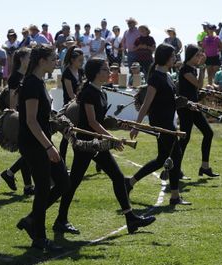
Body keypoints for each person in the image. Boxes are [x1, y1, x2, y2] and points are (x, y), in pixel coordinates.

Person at [53, 58, 156, 235]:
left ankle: (130, 219)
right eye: (105, 69)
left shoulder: (102, 93)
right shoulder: (88, 93)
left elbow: (101, 120)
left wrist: (119, 124)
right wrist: (113, 139)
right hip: (86, 144)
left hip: (97, 144)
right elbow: (92, 122)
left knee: (117, 176)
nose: (109, 72)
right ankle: (59, 219)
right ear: (95, 72)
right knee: (74, 182)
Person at [15, 45, 69, 251]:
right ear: (42, 61)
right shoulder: (31, 84)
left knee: (63, 183)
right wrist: (48, 147)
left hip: (42, 140)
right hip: (33, 143)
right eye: (54, 58)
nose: (57, 61)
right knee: (44, 189)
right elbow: (30, 120)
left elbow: (40, 117)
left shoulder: (40, 82)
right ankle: (39, 237)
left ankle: (31, 221)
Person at [126, 43, 191, 206]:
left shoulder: (167, 75)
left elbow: (168, 100)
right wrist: (137, 125)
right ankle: (175, 196)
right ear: (166, 58)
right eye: (173, 55)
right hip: (161, 123)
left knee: (162, 158)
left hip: (168, 120)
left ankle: (129, 183)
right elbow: (146, 104)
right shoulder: (155, 77)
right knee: (175, 154)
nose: (175, 58)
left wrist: (183, 103)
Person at [178, 45, 219, 178]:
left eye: (200, 55)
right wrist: (202, 68)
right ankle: (174, 169)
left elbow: (194, 90)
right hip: (185, 108)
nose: (199, 57)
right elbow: (198, 84)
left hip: (193, 106)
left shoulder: (192, 69)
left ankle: (205, 167)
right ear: (190, 56)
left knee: (208, 133)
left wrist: (203, 94)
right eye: (197, 55)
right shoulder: (185, 69)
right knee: (185, 138)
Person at [1, 47, 35, 195]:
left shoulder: (28, 75)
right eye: (29, 57)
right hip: (21, 116)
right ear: (22, 59)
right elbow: (12, 99)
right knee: (29, 152)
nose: (31, 60)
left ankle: (25, 184)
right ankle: (15, 177)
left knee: (27, 152)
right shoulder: (15, 77)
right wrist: (14, 115)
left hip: (28, 114)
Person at [59, 46, 85, 165]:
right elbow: (70, 94)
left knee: (82, 135)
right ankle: (61, 161)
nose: (82, 62)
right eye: (80, 60)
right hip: (70, 108)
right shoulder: (67, 73)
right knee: (67, 136)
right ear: (73, 60)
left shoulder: (81, 71)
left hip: (80, 105)